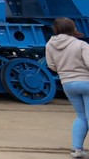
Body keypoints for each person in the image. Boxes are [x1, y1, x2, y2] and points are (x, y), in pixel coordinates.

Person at [45, 17, 89, 159]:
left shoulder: (50, 45)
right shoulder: (81, 44)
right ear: (72, 28)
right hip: (86, 82)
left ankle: (77, 150)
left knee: (81, 117)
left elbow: (51, 65)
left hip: (67, 84)